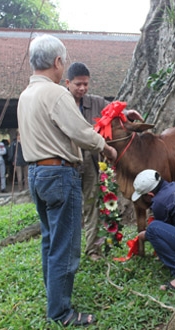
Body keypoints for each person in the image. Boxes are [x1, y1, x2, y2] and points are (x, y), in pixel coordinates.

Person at [17, 34, 117, 327]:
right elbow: (81, 132)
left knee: (50, 239)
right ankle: (61, 312)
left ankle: (54, 297)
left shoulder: (26, 95)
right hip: (60, 173)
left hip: (36, 174)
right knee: (66, 246)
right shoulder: (56, 93)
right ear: (58, 62)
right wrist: (106, 147)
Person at [65, 62, 143, 261]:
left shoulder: (94, 102)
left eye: (85, 84)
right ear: (67, 83)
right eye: (77, 84)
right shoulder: (61, 103)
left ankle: (92, 250)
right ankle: (67, 252)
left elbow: (112, 110)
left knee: (91, 205)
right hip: (66, 164)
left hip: (90, 163)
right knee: (69, 209)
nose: (82, 88)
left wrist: (126, 113)